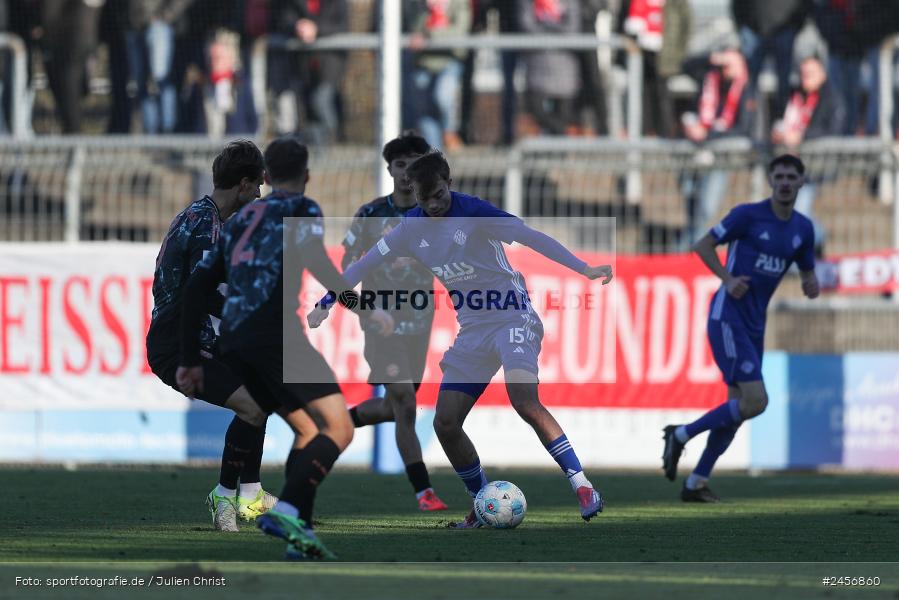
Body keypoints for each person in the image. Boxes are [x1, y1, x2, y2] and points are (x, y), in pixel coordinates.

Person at [310, 151, 614, 527]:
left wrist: (583, 268)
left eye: (439, 194)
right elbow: (363, 264)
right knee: (446, 423)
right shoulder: (409, 228)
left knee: (524, 400)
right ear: (414, 195)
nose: (434, 204)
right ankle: (481, 502)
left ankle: (582, 485)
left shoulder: (474, 212)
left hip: (512, 315)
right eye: (425, 199)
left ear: (448, 182)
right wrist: (327, 300)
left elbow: (530, 237)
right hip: (472, 329)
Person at [177, 137, 392, 560]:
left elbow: (197, 286)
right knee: (339, 427)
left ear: (267, 178)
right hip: (274, 335)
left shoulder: (241, 217)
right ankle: (288, 510)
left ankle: (299, 536)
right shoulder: (303, 209)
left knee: (309, 431)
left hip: (233, 340)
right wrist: (364, 308)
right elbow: (321, 266)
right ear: (307, 176)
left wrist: (188, 359)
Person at [662, 154, 820, 502]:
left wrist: (811, 283)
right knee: (756, 400)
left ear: (801, 182)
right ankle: (682, 434)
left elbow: (808, 271)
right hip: (727, 317)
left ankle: (696, 483)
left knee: (739, 408)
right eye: (778, 175)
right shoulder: (748, 215)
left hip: (754, 324)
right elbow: (702, 244)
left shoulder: (802, 229)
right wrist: (727, 278)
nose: (784, 182)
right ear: (770, 179)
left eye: (791, 177)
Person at [147, 140, 286, 532]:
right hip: (178, 345)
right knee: (253, 406)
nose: (258, 194)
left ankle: (251, 494)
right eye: (257, 185)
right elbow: (200, 294)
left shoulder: (203, 216)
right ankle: (226, 495)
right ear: (243, 184)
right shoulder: (206, 226)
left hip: (194, 338)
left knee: (262, 393)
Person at [341, 132, 449, 512]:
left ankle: (335, 424)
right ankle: (424, 492)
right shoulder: (369, 216)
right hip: (381, 326)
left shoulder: (435, 214)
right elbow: (343, 277)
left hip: (419, 325)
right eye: (401, 164)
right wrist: (367, 311)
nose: (407, 172)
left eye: (415, 165)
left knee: (395, 407)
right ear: (389, 169)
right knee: (404, 400)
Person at [771, 55, 845, 250]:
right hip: (791, 166)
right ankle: (815, 241)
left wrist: (802, 136)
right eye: (803, 73)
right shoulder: (795, 95)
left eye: (810, 73)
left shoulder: (832, 97)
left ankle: (812, 244)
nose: (806, 78)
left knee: (798, 213)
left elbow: (833, 130)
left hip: (814, 167)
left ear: (822, 73)